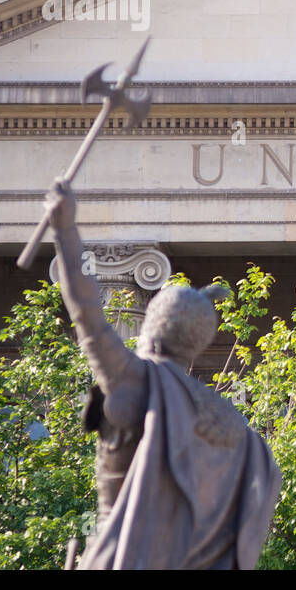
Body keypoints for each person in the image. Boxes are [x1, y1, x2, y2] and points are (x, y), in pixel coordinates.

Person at [45, 179, 280, 569]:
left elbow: (86, 312)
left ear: (150, 327)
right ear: (197, 343)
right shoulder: (236, 426)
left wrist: (65, 231)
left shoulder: (135, 380)